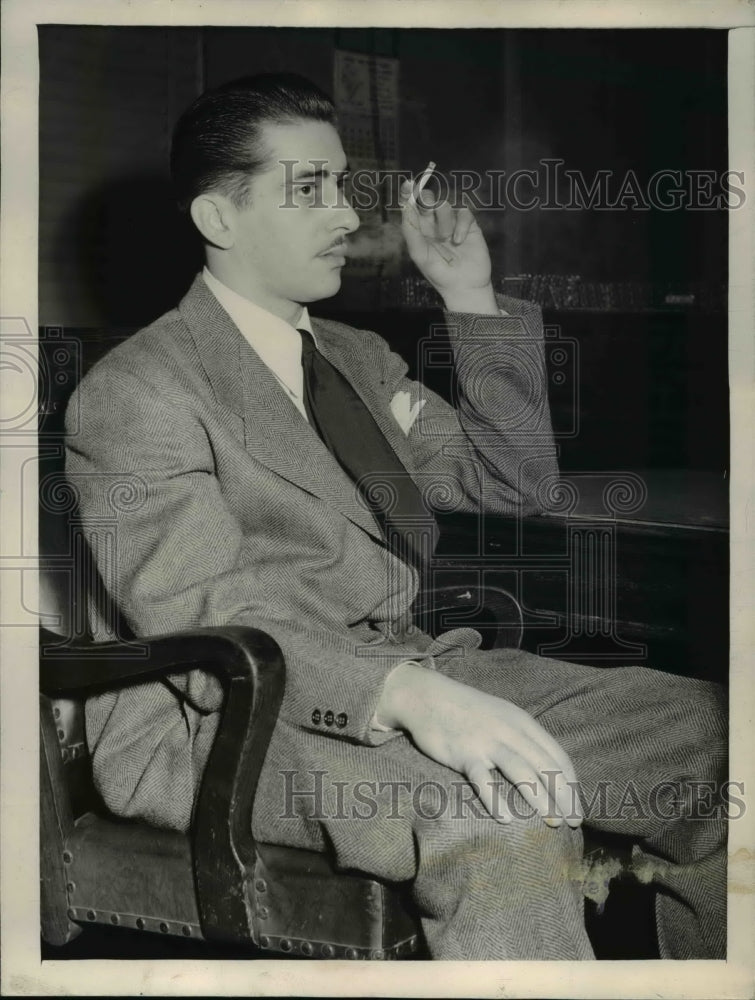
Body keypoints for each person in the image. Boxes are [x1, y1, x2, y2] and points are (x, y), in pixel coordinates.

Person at [65, 73, 727, 960]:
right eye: (310, 189)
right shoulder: (139, 391)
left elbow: (511, 481)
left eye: (342, 184)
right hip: (222, 718)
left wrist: (470, 299)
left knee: (712, 740)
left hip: (404, 669)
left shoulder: (351, 359)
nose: (346, 215)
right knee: (496, 815)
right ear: (218, 219)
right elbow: (203, 612)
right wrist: (408, 697)